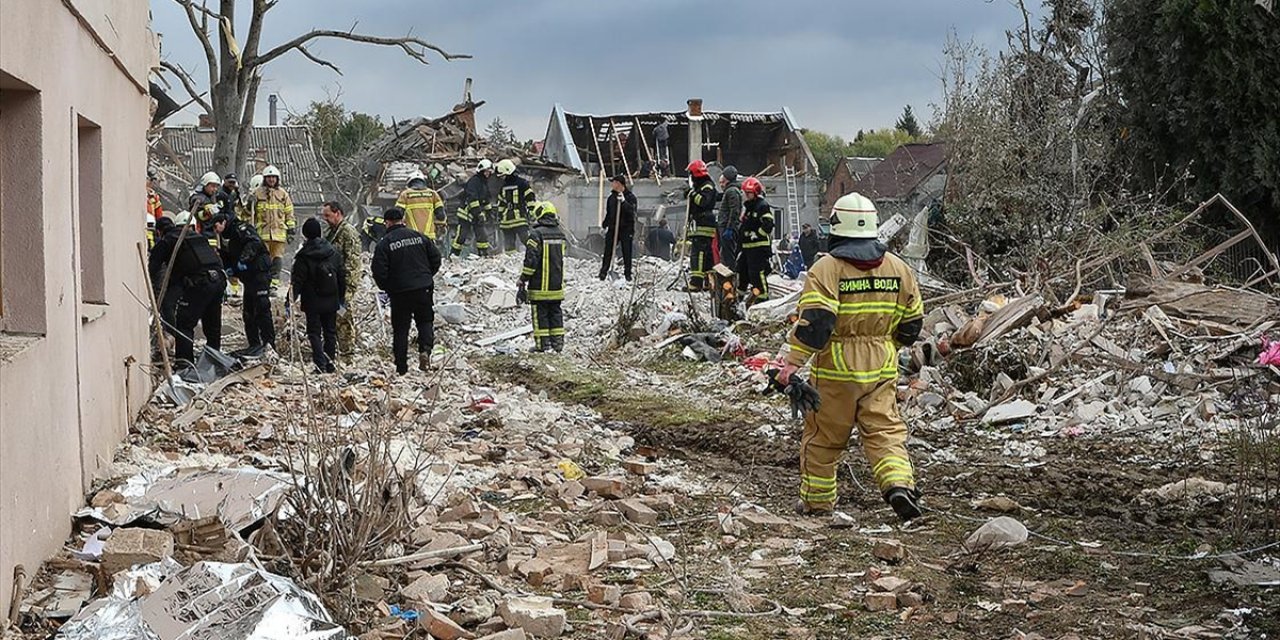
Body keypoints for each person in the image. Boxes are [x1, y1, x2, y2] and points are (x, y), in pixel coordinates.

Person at [777, 192, 925, 521]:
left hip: (836, 372)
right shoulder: (899, 268)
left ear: (837, 229)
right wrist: (888, 345)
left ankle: (818, 502)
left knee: (823, 439)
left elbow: (817, 324)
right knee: (885, 433)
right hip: (881, 367)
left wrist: (791, 365)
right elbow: (913, 322)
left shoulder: (827, 268)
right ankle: (898, 485)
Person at [372, 207, 443, 374]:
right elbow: (436, 258)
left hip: (400, 292)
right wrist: (426, 276)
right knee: (425, 321)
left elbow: (379, 271)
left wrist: (388, 287)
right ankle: (425, 351)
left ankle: (402, 367)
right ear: (403, 220)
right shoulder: (419, 237)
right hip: (423, 288)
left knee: (401, 329)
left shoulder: (385, 243)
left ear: (387, 222)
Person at [169, 211, 227, 364]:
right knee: (212, 324)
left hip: (201, 283)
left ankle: (184, 363)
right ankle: (213, 360)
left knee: (184, 323)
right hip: (218, 281)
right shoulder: (202, 241)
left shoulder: (174, 240)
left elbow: (171, 270)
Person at [291, 218, 346, 373]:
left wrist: (290, 301)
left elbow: (297, 281)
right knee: (330, 332)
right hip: (331, 299)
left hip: (312, 301)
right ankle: (330, 364)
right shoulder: (332, 252)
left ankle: (319, 364)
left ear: (305, 234)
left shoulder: (303, 256)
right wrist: (341, 298)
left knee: (314, 333)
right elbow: (342, 276)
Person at [217, 213, 275, 357]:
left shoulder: (241, 229)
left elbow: (253, 243)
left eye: (216, 226)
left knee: (262, 308)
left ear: (223, 222)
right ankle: (254, 344)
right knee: (248, 313)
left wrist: (243, 259)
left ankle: (269, 344)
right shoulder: (231, 239)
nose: (216, 230)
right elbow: (232, 256)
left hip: (259, 273)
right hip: (249, 278)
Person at [518, 202, 567, 352]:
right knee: (555, 313)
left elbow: (531, 260)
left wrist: (523, 278)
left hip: (540, 285)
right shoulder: (561, 234)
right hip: (556, 285)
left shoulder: (536, 234)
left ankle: (542, 345)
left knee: (540, 315)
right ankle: (557, 344)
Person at [322, 201, 363, 363]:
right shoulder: (330, 232)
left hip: (343, 285)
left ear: (337, 213)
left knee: (343, 319)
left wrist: (348, 289)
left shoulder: (348, 233)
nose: (325, 219)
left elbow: (353, 263)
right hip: (330, 284)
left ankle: (347, 356)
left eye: (328, 215)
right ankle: (335, 353)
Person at [251, 164, 296, 290]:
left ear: (277, 179)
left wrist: (291, 229)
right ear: (264, 178)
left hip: (279, 234)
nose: (271, 180)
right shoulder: (257, 194)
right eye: (269, 177)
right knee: (263, 260)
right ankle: (263, 283)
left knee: (277, 260)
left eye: (274, 177)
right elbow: (248, 213)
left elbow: (289, 212)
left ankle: (274, 285)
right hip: (262, 234)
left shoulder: (283, 194)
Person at [738, 177, 775, 303]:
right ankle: (739, 297)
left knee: (757, 273)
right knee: (742, 271)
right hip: (748, 247)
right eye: (744, 192)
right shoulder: (748, 207)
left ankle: (762, 298)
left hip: (758, 246)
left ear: (754, 193)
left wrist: (757, 234)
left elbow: (768, 224)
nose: (745, 195)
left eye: (747, 193)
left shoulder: (762, 206)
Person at [684, 160, 718, 291]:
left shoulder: (707, 186)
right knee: (707, 256)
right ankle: (709, 282)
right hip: (700, 224)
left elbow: (703, 202)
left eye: (691, 174)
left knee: (698, 254)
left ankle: (696, 282)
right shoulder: (701, 186)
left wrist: (692, 194)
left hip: (703, 224)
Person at [451, 159, 494, 257]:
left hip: (476, 214)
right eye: (486, 171)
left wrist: (489, 212)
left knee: (482, 236)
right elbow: (472, 199)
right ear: (481, 171)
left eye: (489, 172)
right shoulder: (474, 182)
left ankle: (483, 255)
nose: (488, 173)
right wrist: (479, 213)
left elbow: (485, 199)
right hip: (466, 213)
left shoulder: (484, 183)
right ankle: (453, 255)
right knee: (462, 236)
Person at [600, 175, 637, 280]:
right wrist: (604, 225)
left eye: (614, 182)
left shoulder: (631, 197)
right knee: (608, 250)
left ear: (619, 184)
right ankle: (604, 272)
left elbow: (632, 213)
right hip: (613, 228)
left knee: (626, 251)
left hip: (626, 229)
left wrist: (624, 203)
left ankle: (628, 274)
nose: (612, 184)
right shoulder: (611, 198)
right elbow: (609, 213)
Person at [496, 159, 536, 253]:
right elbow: (501, 203)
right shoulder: (504, 186)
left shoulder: (522, 184)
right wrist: (500, 215)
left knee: (526, 239)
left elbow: (530, 198)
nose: (502, 178)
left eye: (503, 175)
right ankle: (512, 261)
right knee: (509, 244)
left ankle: (535, 254)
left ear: (508, 172)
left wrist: (531, 211)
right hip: (508, 220)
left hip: (519, 218)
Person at [395, 170, 445, 241]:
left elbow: (396, 215)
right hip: (429, 237)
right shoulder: (433, 194)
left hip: (412, 238)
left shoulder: (405, 194)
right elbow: (441, 216)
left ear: (410, 183)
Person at [718, 166, 743, 271]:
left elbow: (734, 211)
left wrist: (729, 228)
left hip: (728, 229)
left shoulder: (732, 191)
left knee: (728, 256)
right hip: (726, 228)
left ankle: (730, 277)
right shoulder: (730, 191)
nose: (721, 184)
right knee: (725, 254)